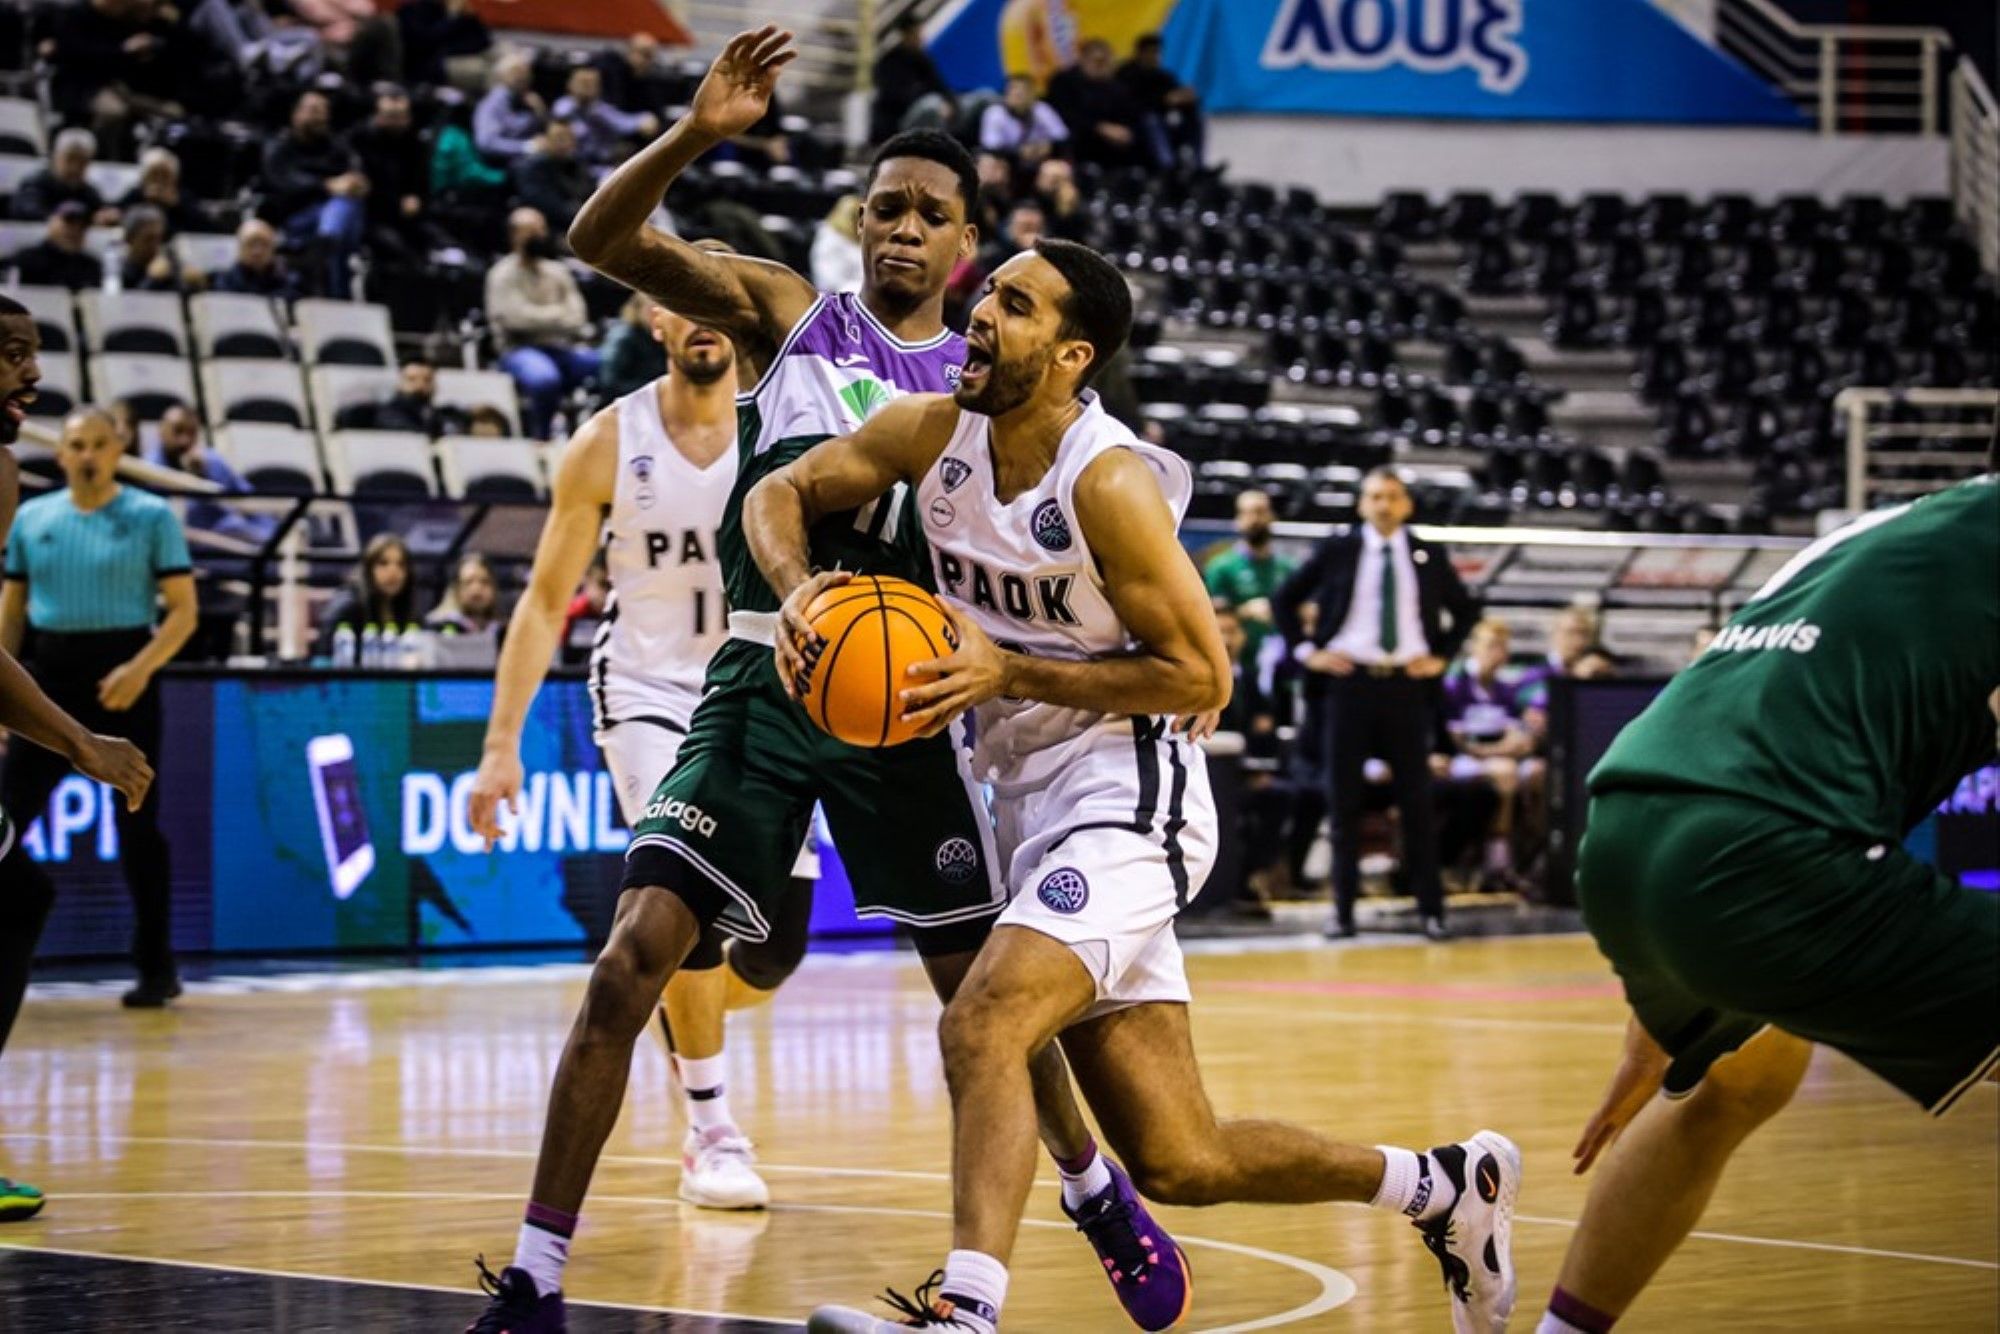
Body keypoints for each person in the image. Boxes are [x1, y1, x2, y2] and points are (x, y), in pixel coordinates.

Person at [466, 29, 1158, 1332]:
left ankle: (1091, 1186)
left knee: (983, 1001)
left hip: (907, 697)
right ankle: (535, 1278)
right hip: (759, 667)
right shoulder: (791, 309)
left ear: (966, 245)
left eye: (929, 215)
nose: (902, 229)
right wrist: (693, 134)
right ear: (860, 220)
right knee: (630, 962)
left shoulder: (984, 378)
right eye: (884, 207)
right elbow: (601, 242)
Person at [770, 239, 1520, 1334]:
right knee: (1180, 1156)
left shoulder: (1105, 479)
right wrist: (797, 592)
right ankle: (1443, 1185)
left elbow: (1201, 675)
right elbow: (782, 490)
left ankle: (964, 1312)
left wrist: (1007, 667)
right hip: (1024, 798)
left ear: (1071, 356)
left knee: (981, 1021)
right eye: (986, 295)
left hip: (1128, 796)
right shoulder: (930, 433)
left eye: (1012, 305)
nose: (978, 314)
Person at [1536, 468, 1999, 1334]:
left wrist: (1658, 1007)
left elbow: (1727, 701)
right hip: (1769, 850)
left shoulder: (1875, 528)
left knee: (1741, 1083)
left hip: (1626, 832)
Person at [469, 304, 821, 1219]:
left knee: (777, 948)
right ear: (655, 320)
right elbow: (546, 603)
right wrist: (500, 745)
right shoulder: (604, 442)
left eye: (719, 305)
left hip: (760, 697)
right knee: (688, 902)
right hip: (649, 694)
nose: (703, 321)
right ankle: (711, 1125)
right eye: (683, 303)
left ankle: (664, 1000)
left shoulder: (783, 424)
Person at [0, 297, 155, 1226]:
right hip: (60, 679)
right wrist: (80, 741)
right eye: (12, 353)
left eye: (35, 354)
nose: (32, 373)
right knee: (16, 899)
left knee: (18, 895)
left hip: (100, 665)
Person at [0, 405, 196, 1008]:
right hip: (46, 676)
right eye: (76, 444)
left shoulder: (152, 515)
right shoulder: (32, 517)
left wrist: (140, 668)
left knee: (139, 830)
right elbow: (10, 614)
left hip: (124, 678)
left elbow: (183, 612)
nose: (87, 455)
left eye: (99, 444)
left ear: (119, 451)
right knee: (6, 818)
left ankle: (157, 969)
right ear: (60, 454)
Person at [1274, 468, 1479, 941]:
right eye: (1374, 497)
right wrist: (1309, 653)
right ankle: (1342, 911)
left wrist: (1441, 657)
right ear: (1361, 504)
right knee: (1342, 801)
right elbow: (1286, 599)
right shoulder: (1339, 548)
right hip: (1349, 687)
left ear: (1406, 504)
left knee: (1418, 803)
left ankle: (1431, 911)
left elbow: (1466, 608)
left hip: (1406, 686)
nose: (1383, 505)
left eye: (1391, 497)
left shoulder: (1426, 553)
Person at [1440, 618, 1545, 890]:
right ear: (1474, 648)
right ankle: (1497, 862)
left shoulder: (1503, 689)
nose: (1497, 654)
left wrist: (1509, 748)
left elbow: (1517, 737)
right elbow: (1458, 740)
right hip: (1462, 760)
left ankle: (1535, 855)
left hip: (1497, 756)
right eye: (1491, 646)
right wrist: (1492, 752)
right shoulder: (1456, 684)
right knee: (1506, 773)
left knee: (1538, 772)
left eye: (1502, 647)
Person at [486, 207, 598, 440]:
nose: (540, 236)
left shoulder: (558, 272)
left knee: (609, 364)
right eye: (532, 231)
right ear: (515, 235)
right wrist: (559, 317)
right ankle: (542, 439)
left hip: (562, 349)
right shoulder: (501, 274)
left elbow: (578, 316)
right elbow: (516, 320)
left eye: (542, 230)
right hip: (518, 350)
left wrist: (542, 318)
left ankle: (598, 436)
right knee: (545, 380)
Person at [261, 89, 368, 299]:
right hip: (293, 217)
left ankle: (326, 242)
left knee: (345, 206)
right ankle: (337, 294)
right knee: (342, 214)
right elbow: (283, 183)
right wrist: (327, 186)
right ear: (296, 114)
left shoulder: (336, 146)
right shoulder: (279, 146)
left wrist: (357, 184)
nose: (319, 117)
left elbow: (355, 175)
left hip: (336, 221)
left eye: (323, 112)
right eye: (313, 110)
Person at [143, 401, 273, 545]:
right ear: (161, 431)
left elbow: (249, 499)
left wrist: (203, 475)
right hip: (182, 546)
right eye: (178, 431)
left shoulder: (213, 461)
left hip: (229, 537)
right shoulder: (147, 470)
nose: (185, 440)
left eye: (191, 433)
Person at [1203, 488, 1294, 689]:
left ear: (1272, 516)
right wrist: (1246, 610)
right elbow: (1210, 617)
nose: (1255, 519)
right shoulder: (1221, 567)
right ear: (1238, 519)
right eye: (1247, 512)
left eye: (1260, 511)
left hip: (1282, 666)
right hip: (1235, 665)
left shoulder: (1288, 567)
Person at [346, 86, 432, 262]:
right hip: (372, 215)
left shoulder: (414, 141)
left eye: (402, 117)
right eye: (391, 117)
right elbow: (363, 186)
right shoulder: (359, 140)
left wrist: (415, 196)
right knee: (400, 251)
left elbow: (421, 180)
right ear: (378, 116)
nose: (397, 122)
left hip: (408, 214)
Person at [1046, 39, 1152, 171]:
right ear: (1083, 59)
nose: (1102, 66)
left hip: (1115, 141)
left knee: (1147, 126)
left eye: (1106, 61)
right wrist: (1100, 128)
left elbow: (1132, 112)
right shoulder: (1064, 81)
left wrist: (1127, 131)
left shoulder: (1117, 86)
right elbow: (1063, 114)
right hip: (1081, 136)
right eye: (1097, 61)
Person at [316, 531, 416, 654]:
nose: (393, 572)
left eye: (401, 565)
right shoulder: (348, 606)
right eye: (383, 563)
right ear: (369, 568)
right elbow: (324, 659)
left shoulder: (403, 607)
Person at [1118, 33, 1203, 170]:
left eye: (1157, 52)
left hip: (1163, 121)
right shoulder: (1125, 75)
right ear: (1140, 53)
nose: (1154, 56)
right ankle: (1166, 166)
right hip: (1135, 123)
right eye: (1150, 52)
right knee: (1151, 120)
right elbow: (1130, 104)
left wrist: (1188, 98)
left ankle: (1197, 165)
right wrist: (1164, 100)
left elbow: (1176, 96)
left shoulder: (1163, 76)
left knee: (1194, 119)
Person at [552, 65, 658, 166]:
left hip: (600, 167)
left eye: (591, 83)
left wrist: (645, 118)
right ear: (570, 84)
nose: (586, 87)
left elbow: (624, 123)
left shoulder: (602, 110)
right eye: (582, 82)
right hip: (567, 166)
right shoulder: (562, 107)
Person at [870, 13, 952, 144]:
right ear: (906, 35)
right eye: (917, 33)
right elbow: (896, 97)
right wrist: (929, 98)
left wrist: (949, 102)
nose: (921, 38)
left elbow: (939, 85)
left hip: (923, 107)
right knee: (932, 104)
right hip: (898, 119)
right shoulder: (889, 62)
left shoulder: (922, 59)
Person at [10, 128, 113, 225]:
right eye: (70, 159)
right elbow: (28, 211)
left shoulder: (89, 191)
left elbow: (101, 212)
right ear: (55, 157)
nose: (75, 167)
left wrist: (105, 217)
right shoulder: (35, 184)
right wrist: (69, 221)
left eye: (82, 162)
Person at [509, 120, 593, 237]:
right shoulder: (531, 168)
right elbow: (550, 207)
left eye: (570, 137)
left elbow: (588, 192)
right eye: (560, 138)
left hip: (577, 222)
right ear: (544, 140)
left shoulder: (576, 164)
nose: (566, 143)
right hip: (549, 228)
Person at [350, 358, 467, 437]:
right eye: (412, 379)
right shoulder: (387, 413)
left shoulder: (443, 413)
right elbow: (415, 436)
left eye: (427, 380)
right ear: (399, 383)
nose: (420, 385)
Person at [8, 202, 105, 292]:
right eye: (69, 222)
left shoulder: (91, 266)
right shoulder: (26, 259)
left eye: (82, 226)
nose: (75, 230)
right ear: (52, 222)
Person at [978, 74, 1068, 170]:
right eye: (1014, 91)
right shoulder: (995, 113)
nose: (1018, 94)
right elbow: (990, 148)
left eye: (1024, 91)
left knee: (1058, 167)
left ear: (1033, 94)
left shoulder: (1042, 109)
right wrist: (1018, 152)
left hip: (1041, 162)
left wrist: (1049, 146)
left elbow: (1063, 138)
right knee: (989, 163)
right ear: (1006, 94)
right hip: (1007, 164)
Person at [474, 50, 548, 164]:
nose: (522, 76)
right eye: (516, 71)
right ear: (501, 76)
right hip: (501, 164)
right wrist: (527, 146)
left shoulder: (529, 100)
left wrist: (541, 113)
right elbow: (487, 143)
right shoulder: (492, 103)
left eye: (525, 71)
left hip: (525, 158)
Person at [118, 146, 202, 238]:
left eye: (165, 175)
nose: (159, 181)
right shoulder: (138, 194)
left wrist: (176, 205)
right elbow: (118, 212)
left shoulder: (184, 197)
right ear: (145, 178)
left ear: (174, 179)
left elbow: (202, 226)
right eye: (155, 175)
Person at [595, 293, 667, 400]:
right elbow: (609, 383)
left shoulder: (663, 336)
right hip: (627, 401)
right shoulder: (623, 337)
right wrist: (656, 390)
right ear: (639, 309)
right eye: (651, 310)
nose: (656, 317)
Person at [117, 204, 201, 292]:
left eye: (159, 238)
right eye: (148, 239)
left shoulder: (169, 262)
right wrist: (152, 280)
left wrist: (196, 284)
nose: (155, 245)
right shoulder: (119, 270)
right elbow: (126, 303)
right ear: (129, 238)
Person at [210, 217, 298, 299]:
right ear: (240, 248)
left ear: (273, 249)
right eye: (251, 244)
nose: (257, 251)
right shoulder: (225, 281)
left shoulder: (288, 280)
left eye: (264, 244)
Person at [427, 551, 503, 637]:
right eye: (468, 582)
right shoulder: (437, 628)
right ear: (456, 589)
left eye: (484, 582)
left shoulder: (503, 631)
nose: (476, 589)